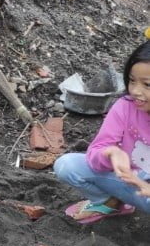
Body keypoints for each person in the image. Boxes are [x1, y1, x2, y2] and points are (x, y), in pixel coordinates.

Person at [55, 40, 150, 224]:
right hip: (125, 181)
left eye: (148, 85)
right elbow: (96, 152)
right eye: (132, 80)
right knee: (66, 166)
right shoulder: (125, 107)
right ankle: (108, 202)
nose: (136, 91)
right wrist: (111, 153)